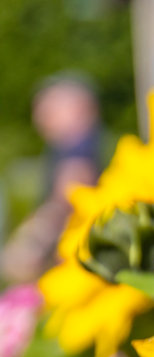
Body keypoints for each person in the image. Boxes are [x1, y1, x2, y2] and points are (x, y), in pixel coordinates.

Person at [1, 74, 103, 285]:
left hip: (80, 260)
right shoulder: (81, 144)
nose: (38, 119)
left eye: (48, 110)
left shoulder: (77, 145)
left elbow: (65, 199)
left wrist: (27, 246)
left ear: (78, 108)